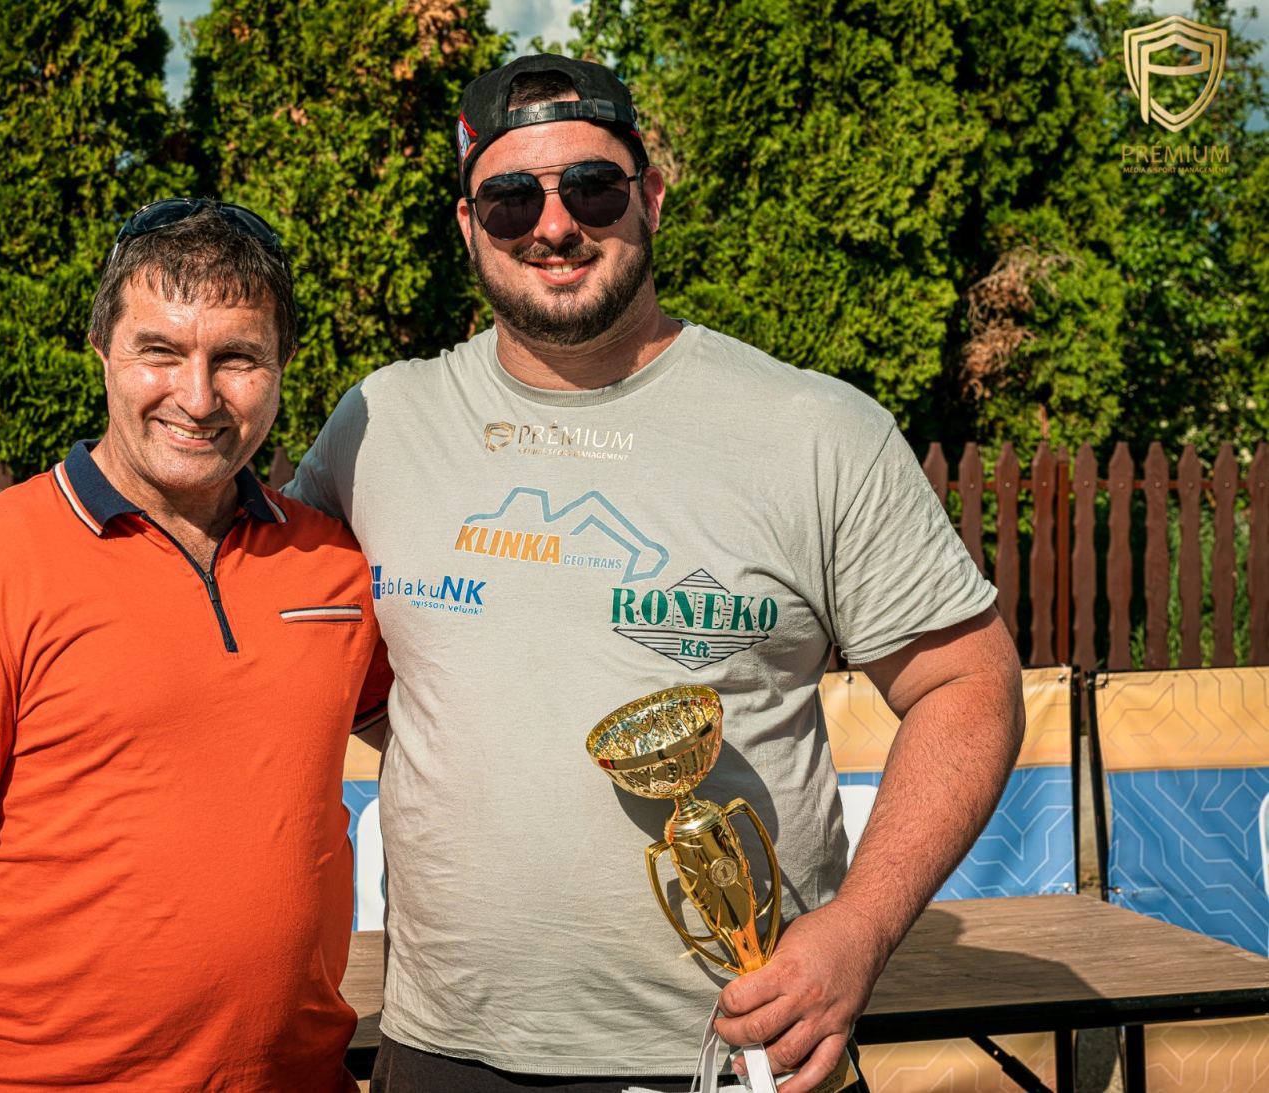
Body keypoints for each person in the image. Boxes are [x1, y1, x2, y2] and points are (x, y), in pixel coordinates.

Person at [286, 54, 1024, 1093]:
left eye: (592, 187)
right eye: (510, 199)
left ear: (652, 197)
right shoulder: (379, 427)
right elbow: (287, 633)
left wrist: (860, 926)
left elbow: (970, 683)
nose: (553, 225)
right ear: (468, 226)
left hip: (739, 1054)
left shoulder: (812, 430)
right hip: (446, 1051)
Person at [0, 200, 389, 1092]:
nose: (197, 397)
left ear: (283, 366)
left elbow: (447, 745)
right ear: (101, 353)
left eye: (237, 358)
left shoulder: (332, 566)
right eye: (159, 351)